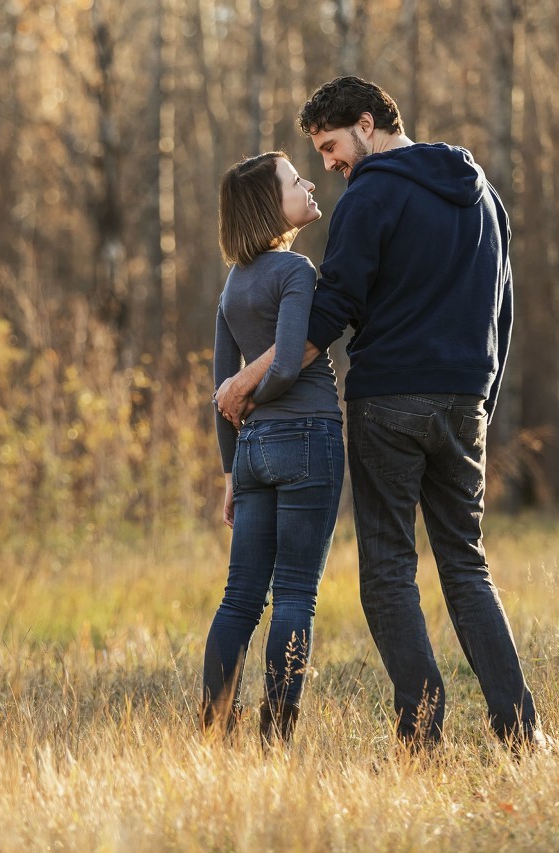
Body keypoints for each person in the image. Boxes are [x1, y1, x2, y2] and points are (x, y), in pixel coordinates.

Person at [215, 77, 547, 752]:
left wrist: (246, 380)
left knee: (389, 572)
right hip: (465, 402)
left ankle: (420, 736)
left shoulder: (370, 196)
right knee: (467, 566)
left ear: (367, 123)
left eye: (332, 146)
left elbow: (330, 313)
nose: (331, 164)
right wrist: (482, 395)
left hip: (389, 402)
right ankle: (522, 732)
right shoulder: (481, 191)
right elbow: (503, 309)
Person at [201, 152, 345, 748]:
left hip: (253, 454)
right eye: (294, 181)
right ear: (269, 204)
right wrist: (263, 400)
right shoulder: (295, 271)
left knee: (240, 598)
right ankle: (275, 740)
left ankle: (214, 732)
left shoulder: (232, 286)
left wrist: (231, 469)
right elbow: (288, 362)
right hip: (307, 437)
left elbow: (220, 388)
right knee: (293, 595)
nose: (309, 183)